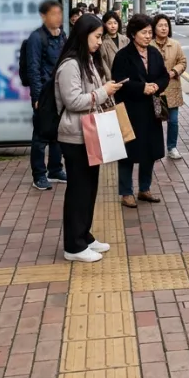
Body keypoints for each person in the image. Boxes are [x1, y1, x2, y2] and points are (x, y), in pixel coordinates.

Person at [54, 14, 123, 262]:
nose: (99, 42)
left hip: (88, 134)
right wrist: (102, 92)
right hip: (74, 136)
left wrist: (106, 89)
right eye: (96, 37)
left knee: (89, 188)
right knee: (78, 190)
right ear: (84, 36)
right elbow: (73, 101)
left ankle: (84, 236)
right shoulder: (70, 64)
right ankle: (73, 246)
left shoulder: (87, 60)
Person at [110, 14, 170, 208]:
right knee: (128, 152)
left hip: (151, 110)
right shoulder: (123, 56)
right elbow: (119, 82)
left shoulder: (154, 53)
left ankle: (145, 189)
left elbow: (164, 76)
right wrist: (141, 88)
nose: (147, 36)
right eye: (144, 32)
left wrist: (156, 87)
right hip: (131, 110)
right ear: (133, 33)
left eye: (149, 33)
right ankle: (126, 192)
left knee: (150, 151)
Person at [25, 0, 67, 191]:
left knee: (58, 132)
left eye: (59, 13)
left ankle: (55, 169)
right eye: (53, 13)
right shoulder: (37, 38)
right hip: (44, 93)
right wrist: (36, 97)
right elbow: (33, 69)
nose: (58, 17)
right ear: (43, 16)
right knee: (41, 136)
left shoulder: (62, 35)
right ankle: (39, 175)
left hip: (60, 92)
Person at [152, 14, 188, 160]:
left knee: (173, 120)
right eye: (160, 25)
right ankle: (155, 148)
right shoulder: (149, 45)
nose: (163, 28)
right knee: (155, 121)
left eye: (166, 25)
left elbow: (183, 62)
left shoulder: (175, 44)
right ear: (154, 27)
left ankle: (172, 147)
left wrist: (174, 71)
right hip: (155, 89)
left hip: (172, 88)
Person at [99, 11, 128, 79]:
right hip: (111, 79)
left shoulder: (125, 40)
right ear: (104, 24)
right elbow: (103, 64)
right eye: (109, 23)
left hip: (127, 77)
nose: (113, 26)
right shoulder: (102, 42)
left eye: (115, 23)